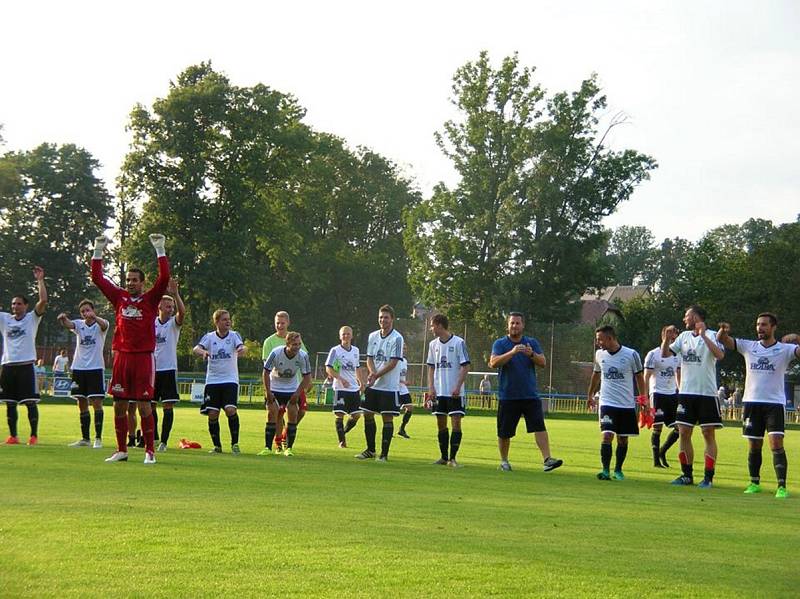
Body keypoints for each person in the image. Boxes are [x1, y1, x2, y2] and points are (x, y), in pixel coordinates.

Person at [91, 234, 169, 464]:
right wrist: (98, 250)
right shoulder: (119, 297)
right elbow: (97, 277)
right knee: (119, 405)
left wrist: (160, 249)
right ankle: (121, 449)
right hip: (121, 357)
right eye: (128, 279)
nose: (130, 283)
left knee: (145, 406)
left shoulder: (151, 299)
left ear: (142, 282)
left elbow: (164, 277)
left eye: (135, 280)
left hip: (143, 358)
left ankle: (149, 451)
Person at [717, 314, 800, 499]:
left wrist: (798, 339)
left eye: (764, 325)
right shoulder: (749, 346)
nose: (760, 328)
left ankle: (781, 486)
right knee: (754, 444)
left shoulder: (785, 349)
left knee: (776, 443)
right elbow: (724, 341)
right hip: (752, 402)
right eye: (758, 325)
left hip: (774, 404)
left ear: (773, 327)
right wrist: (723, 330)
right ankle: (754, 482)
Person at [488, 312, 562, 473]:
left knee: (539, 427)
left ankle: (547, 459)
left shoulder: (531, 342)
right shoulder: (500, 343)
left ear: (523, 325)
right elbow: (493, 362)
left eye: (517, 323)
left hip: (530, 394)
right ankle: (504, 461)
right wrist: (512, 352)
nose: (514, 326)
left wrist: (531, 354)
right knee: (504, 432)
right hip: (508, 395)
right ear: (507, 325)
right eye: (512, 323)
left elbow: (542, 362)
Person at [662, 304, 725, 488]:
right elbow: (666, 354)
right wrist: (666, 339)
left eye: (686, 316)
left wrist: (704, 335)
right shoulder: (683, 337)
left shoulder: (713, 335)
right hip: (686, 393)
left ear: (696, 317)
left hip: (706, 393)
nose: (684, 319)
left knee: (708, 434)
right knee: (683, 432)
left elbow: (720, 355)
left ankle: (708, 477)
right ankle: (686, 475)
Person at [587, 326, 646, 481]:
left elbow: (640, 377)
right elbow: (596, 374)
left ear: (610, 338)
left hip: (626, 404)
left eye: (600, 339)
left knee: (623, 439)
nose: (598, 342)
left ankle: (618, 470)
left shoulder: (631, 354)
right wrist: (590, 394)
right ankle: (605, 470)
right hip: (607, 401)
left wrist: (643, 398)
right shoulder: (599, 354)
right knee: (606, 436)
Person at [0, 266, 47, 445]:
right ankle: (13, 436)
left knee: (30, 402)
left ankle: (33, 435)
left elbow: (43, 300)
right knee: (10, 404)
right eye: (13, 304)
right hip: (8, 366)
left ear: (25, 306)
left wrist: (40, 280)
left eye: (19, 303)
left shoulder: (32, 318)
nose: (15, 306)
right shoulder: (4, 319)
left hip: (26, 366)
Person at [57, 300, 109, 449]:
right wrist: (63, 319)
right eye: (83, 311)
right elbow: (69, 324)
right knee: (81, 401)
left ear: (93, 310)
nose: (85, 313)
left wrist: (94, 317)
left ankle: (98, 438)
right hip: (79, 368)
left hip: (95, 368)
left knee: (97, 402)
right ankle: (85, 438)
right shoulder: (79, 324)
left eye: (87, 310)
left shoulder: (101, 324)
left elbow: (105, 325)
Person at [356, 305, 404, 462]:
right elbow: (369, 358)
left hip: (389, 386)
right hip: (374, 384)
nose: (383, 320)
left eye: (386, 317)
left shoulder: (397, 338)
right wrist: (372, 372)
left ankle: (384, 454)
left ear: (392, 319)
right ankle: (370, 450)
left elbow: (393, 362)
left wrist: (376, 374)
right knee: (367, 414)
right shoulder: (372, 336)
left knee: (387, 417)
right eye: (380, 317)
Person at [194, 310, 245, 454]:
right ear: (216, 322)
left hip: (230, 379)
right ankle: (217, 446)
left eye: (229, 319)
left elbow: (241, 346)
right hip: (213, 381)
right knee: (212, 414)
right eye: (224, 320)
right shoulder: (209, 337)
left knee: (230, 410)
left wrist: (242, 349)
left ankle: (235, 444)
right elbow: (196, 348)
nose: (228, 322)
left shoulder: (234, 335)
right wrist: (203, 352)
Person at [262, 311, 310, 451]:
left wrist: (298, 392)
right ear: (287, 344)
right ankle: (270, 446)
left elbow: (307, 375)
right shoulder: (274, 350)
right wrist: (268, 391)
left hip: (292, 387)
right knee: (273, 413)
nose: (297, 347)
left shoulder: (302, 355)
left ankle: (288, 447)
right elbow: (266, 371)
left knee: (296, 413)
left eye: (298, 344)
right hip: (275, 386)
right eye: (294, 344)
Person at [426, 313, 470, 467]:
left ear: (439, 325)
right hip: (439, 392)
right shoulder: (433, 345)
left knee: (456, 422)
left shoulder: (459, 342)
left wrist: (458, 386)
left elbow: (466, 366)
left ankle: (453, 458)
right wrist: (431, 387)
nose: (431, 328)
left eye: (432, 325)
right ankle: (444, 457)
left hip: (455, 392)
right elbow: (431, 368)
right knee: (441, 423)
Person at [153, 279, 186, 452]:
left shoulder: (173, 324)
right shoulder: (152, 323)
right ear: (159, 306)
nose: (171, 309)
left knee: (167, 405)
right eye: (167, 306)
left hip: (168, 369)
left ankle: (164, 441)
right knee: (149, 405)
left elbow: (182, 313)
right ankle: (153, 436)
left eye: (172, 307)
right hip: (151, 369)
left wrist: (176, 294)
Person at [644, 325, 681, 468]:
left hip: (672, 394)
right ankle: (655, 461)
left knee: (679, 428)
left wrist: (681, 391)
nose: (672, 335)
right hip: (657, 393)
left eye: (674, 333)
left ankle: (662, 451)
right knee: (657, 427)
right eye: (669, 333)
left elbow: (678, 375)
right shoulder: (653, 354)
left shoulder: (677, 355)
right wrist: (646, 397)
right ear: (663, 334)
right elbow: (646, 377)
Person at [325, 326, 364, 448]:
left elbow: (357, 368)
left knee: (356, 415)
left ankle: (343, 432)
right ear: (340, 336)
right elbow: (328, 368)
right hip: (340, 388)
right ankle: (342, 441)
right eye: (343, 334)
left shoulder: (356, 351)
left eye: (348, 334)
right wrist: (340, 379)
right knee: (339, 414)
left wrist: (361, 382)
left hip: (353, 389)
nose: (346, 336)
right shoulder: (335, 350)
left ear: (352, 336)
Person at [397, 345, 414, 439]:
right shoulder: (395, 360)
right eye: (402, 348)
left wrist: (404, 382)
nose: (404, 350)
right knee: (391, 412)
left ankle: (402, 429)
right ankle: (388, 430)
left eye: (405, 349)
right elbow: (393, 375)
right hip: (395, 388)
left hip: (403, 389)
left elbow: (402, 375)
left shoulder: (405, 361)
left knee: (410, 407)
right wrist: (404, 382)